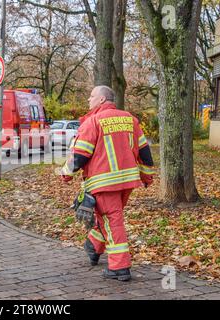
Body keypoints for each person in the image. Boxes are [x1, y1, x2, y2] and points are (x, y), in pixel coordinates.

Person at [60, 86, 155, 281]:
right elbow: (145, 152)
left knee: (113, 221)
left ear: (102, 99)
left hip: (104, 183)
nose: (88, 99)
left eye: (92, 96)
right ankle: (93, 245)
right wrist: (147, 176)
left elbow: (79, 155)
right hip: (127, 182)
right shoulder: (131, 119)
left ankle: (119, 267)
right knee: (110, 218)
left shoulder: (93, 121)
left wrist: (66, 174)